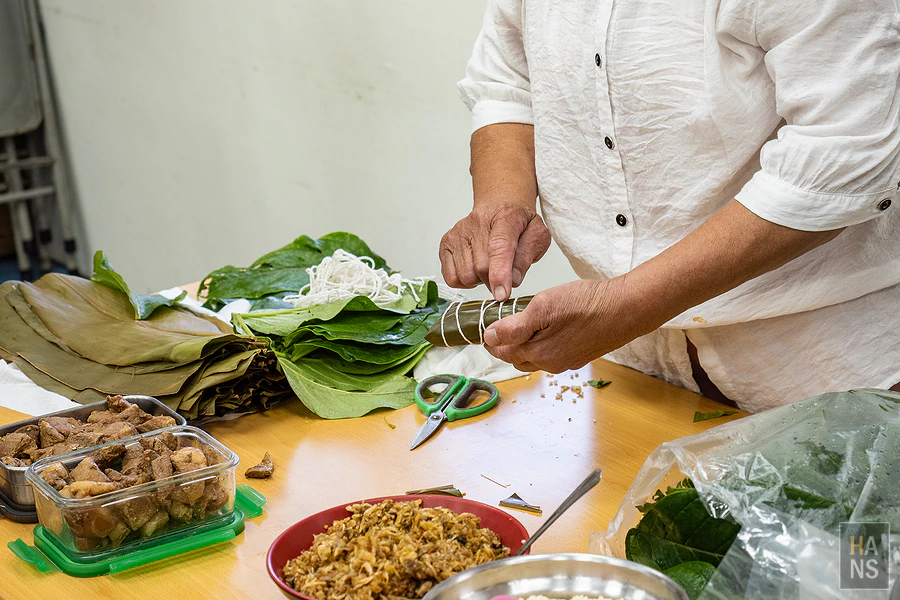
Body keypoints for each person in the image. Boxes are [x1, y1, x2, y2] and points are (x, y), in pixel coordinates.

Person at [439, 0, 900, 413]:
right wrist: (503, 200)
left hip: (825, 368)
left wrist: (626, 306)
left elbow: (843, 156)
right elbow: (508, 82)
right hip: (632, 365)